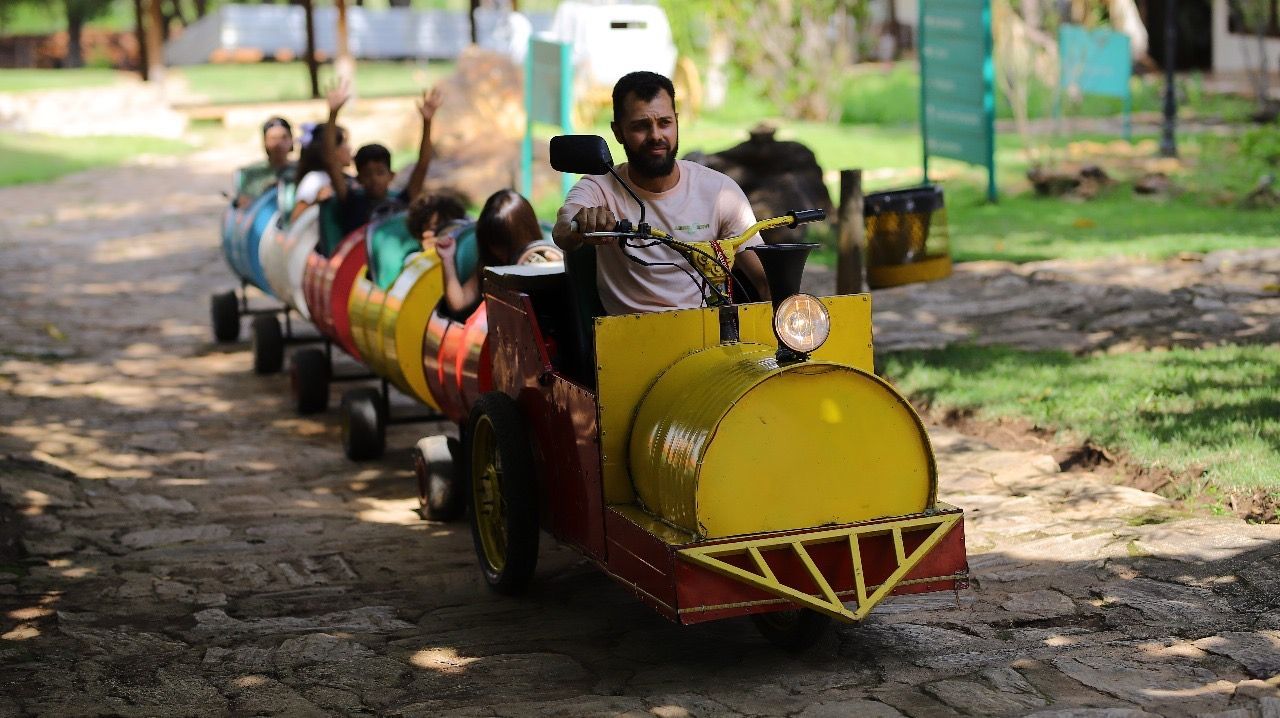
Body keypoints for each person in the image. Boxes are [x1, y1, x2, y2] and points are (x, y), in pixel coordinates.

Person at [552, 71, 769, 315]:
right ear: (618, 132)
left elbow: (764, 280)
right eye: (641, 126)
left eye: (664, 123)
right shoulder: (599, 187)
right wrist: (581, 222)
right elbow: (562, 230)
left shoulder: (719, 192)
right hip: (629, 338)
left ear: (676, 122)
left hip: (707, 336)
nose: (656, 136)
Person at [322, 78, 443, 234]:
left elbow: (423, 164)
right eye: (367, 174)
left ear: (391, 175)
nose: (374, 179)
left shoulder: (403, 200)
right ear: (358, 179)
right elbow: (331, 163)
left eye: (380, 173)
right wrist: (333, 114)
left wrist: (427, 122)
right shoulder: (351, 201)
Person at [436, 189, 543, 316]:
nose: (500, 252)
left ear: (527, 233)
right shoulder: (489, 266)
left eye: (506, 244)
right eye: (493, 243)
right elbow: (459, 303)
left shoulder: (546, 259)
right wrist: (447, 259)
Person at [290, 120, 350, 224]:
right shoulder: (315, 179)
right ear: (330, 151)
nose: (349, 148)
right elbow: (295, 221)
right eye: (344, 143)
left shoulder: (345, 178)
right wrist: (316, 202)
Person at [233, 116, 295, 208]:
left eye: (283, 138)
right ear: (265, 142)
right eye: (273, 139)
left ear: (291, 140)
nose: (278, 144)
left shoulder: (300, 171)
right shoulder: (250, 173)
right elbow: (243, 204)